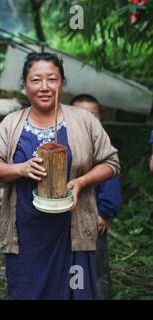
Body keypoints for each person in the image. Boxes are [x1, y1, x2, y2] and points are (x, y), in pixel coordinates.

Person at [0, 52, 120, 300]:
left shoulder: (84, 121)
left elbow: (111, 162)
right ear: (25, 85)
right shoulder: (11, 123)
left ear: (62, 83)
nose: (45, 87)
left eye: (52, 79)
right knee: (28, 291)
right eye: (36, 80)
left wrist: (81, 182)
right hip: (27, 234)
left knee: (75, 291)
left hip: (73, 231)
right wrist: (20, 169)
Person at [70, 94, 122, 300]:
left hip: (94, 219)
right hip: (67, 220)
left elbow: (111, 182)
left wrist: (104, 213)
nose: (87, 120)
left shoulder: (102, 146)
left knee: (96, 267)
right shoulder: (62, 142)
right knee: (74, 266)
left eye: (93, 116)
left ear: (100, 118)